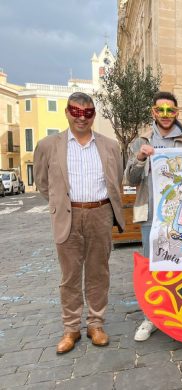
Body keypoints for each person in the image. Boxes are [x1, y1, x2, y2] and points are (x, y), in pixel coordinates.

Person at [34, 92, 124, 354]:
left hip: (100, 213)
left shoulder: (110, 146)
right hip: (68, 215)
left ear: (94, 114)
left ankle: (95, 324)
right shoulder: (48, 145)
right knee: (70, 276)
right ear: (67, 112)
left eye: (87, 113)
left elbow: (115, 179)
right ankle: (71, 328)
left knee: (99, 273)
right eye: (76, 112)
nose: (81, 118)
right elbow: (43, 183)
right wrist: (60, 203)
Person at [125, 91, 182, 341]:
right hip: (150, 214)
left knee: (178, 265)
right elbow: (130, 179)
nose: (165, 115)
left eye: (170, 110)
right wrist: (140, 157)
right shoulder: (140, 141)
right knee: (152, 266)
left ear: (176, 112)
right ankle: (151, 316)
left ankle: (174, 313)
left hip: (176, 216)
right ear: (153, 112)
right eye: (160, 110)